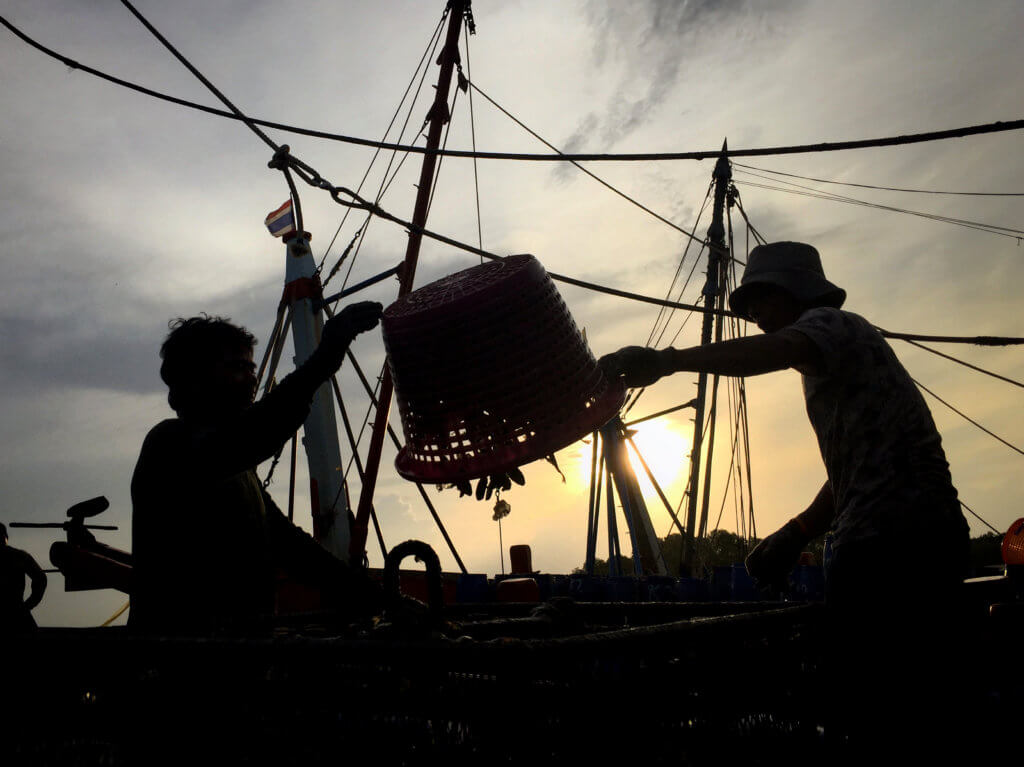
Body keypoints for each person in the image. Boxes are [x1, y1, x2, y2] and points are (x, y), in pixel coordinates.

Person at [600, 241, 971, 754]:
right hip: (885, 539)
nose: (754, 319)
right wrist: (796, 531)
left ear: (795, 293)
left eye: (760, 304)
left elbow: (773, 352)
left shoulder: (835, 327)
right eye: (748, 310)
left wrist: (667, 361)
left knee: (892, 710)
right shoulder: (831, 371)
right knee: (889, 703)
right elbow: (851, 475)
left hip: (898, 544)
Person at [130, 302, 382, 635]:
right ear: (194, 381)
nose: (252, 379)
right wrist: (324, 358)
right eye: (237, 367)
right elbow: (249, 435)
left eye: (251, 368)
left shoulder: (238, 470)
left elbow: (291, 547)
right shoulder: (168, 447)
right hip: (179, 669)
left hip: (244, 663)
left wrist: (377, 597)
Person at [0, 522, 47, 632]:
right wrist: (28, 606)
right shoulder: (19, 556)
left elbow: (40, 578)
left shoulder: (18, 556)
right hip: (18, 610)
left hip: (17, 610)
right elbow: (41, 578)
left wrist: (28, 605)